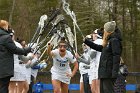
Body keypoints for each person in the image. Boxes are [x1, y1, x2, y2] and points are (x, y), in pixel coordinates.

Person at [84, 21, 122, 93]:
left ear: (107, 30)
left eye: (104, 29)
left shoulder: (114, 41)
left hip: (109, 73)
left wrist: (114, 73)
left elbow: (116, 57)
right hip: (103, 72)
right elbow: (99, 48)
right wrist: (86, 41)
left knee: (108, 91)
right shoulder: (107, 41)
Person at [0, 20, 31, 93]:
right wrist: (27, 50)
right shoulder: (6, 38)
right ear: (4, 26)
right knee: (4, 87)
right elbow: (15, 50)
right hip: (4, 68)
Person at [88, 29, 103, 93]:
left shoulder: (97, 42)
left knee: (97, 89)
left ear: (97, 35)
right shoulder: (104, 41)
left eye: (94, 33)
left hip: (97, 68)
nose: (92, 35)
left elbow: (92, 56)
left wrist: (89, 47)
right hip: (102, 67)